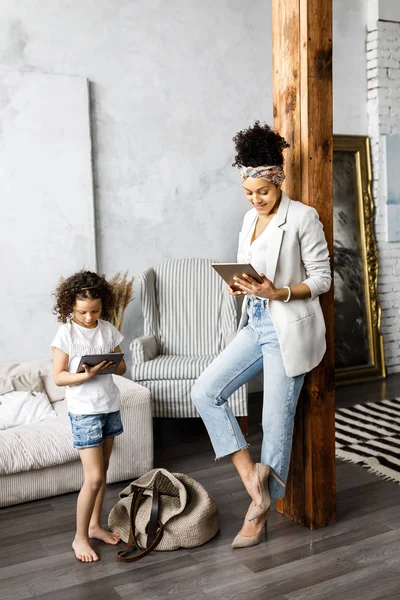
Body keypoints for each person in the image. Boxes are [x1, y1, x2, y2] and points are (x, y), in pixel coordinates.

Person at [191, 121, 331, 548]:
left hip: (288, 325)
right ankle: (253, 478)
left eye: (263, 192)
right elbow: (246, 269)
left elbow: (323, 278)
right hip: (254, 322)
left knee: (274, 420)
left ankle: (259, 511)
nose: (256, 200)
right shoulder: (248, 219)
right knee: (205, 391)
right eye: (249, 193)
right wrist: (240, 285)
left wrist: (279, 291)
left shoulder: (303, 217)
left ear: (278, 180)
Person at [51, 270, 127, 562]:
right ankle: (79, 537)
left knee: (103, 471)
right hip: (84, 412)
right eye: (83, 311)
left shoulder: (107, 329)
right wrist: (85, 375)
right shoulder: (65, 334)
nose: (88, 317)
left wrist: (110, 365)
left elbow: (121, 368)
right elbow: (58, 377)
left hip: (108, 405)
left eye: (95, 310)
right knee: (93, 478)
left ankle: (95, 526)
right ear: (70, 305)